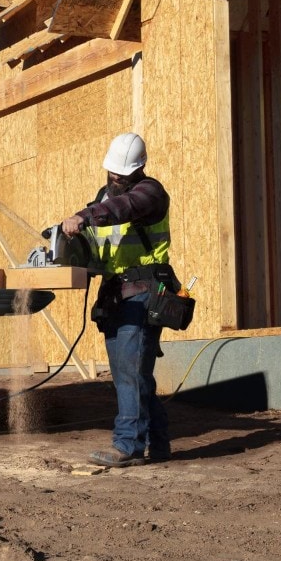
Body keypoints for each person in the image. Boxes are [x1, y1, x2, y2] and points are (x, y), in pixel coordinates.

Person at [60, 133, 174, 467]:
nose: (115, 177)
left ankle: (128, 445)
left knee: (130, 373)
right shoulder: (102, 198)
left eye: (122, 174)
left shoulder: (150, 193)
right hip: (114, 295)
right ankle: (158, 443)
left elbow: (125, 207)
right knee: (133, 375)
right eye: (112, 171)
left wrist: (84, 216)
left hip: (143, 291)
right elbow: (97, 226)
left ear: (139, 168)